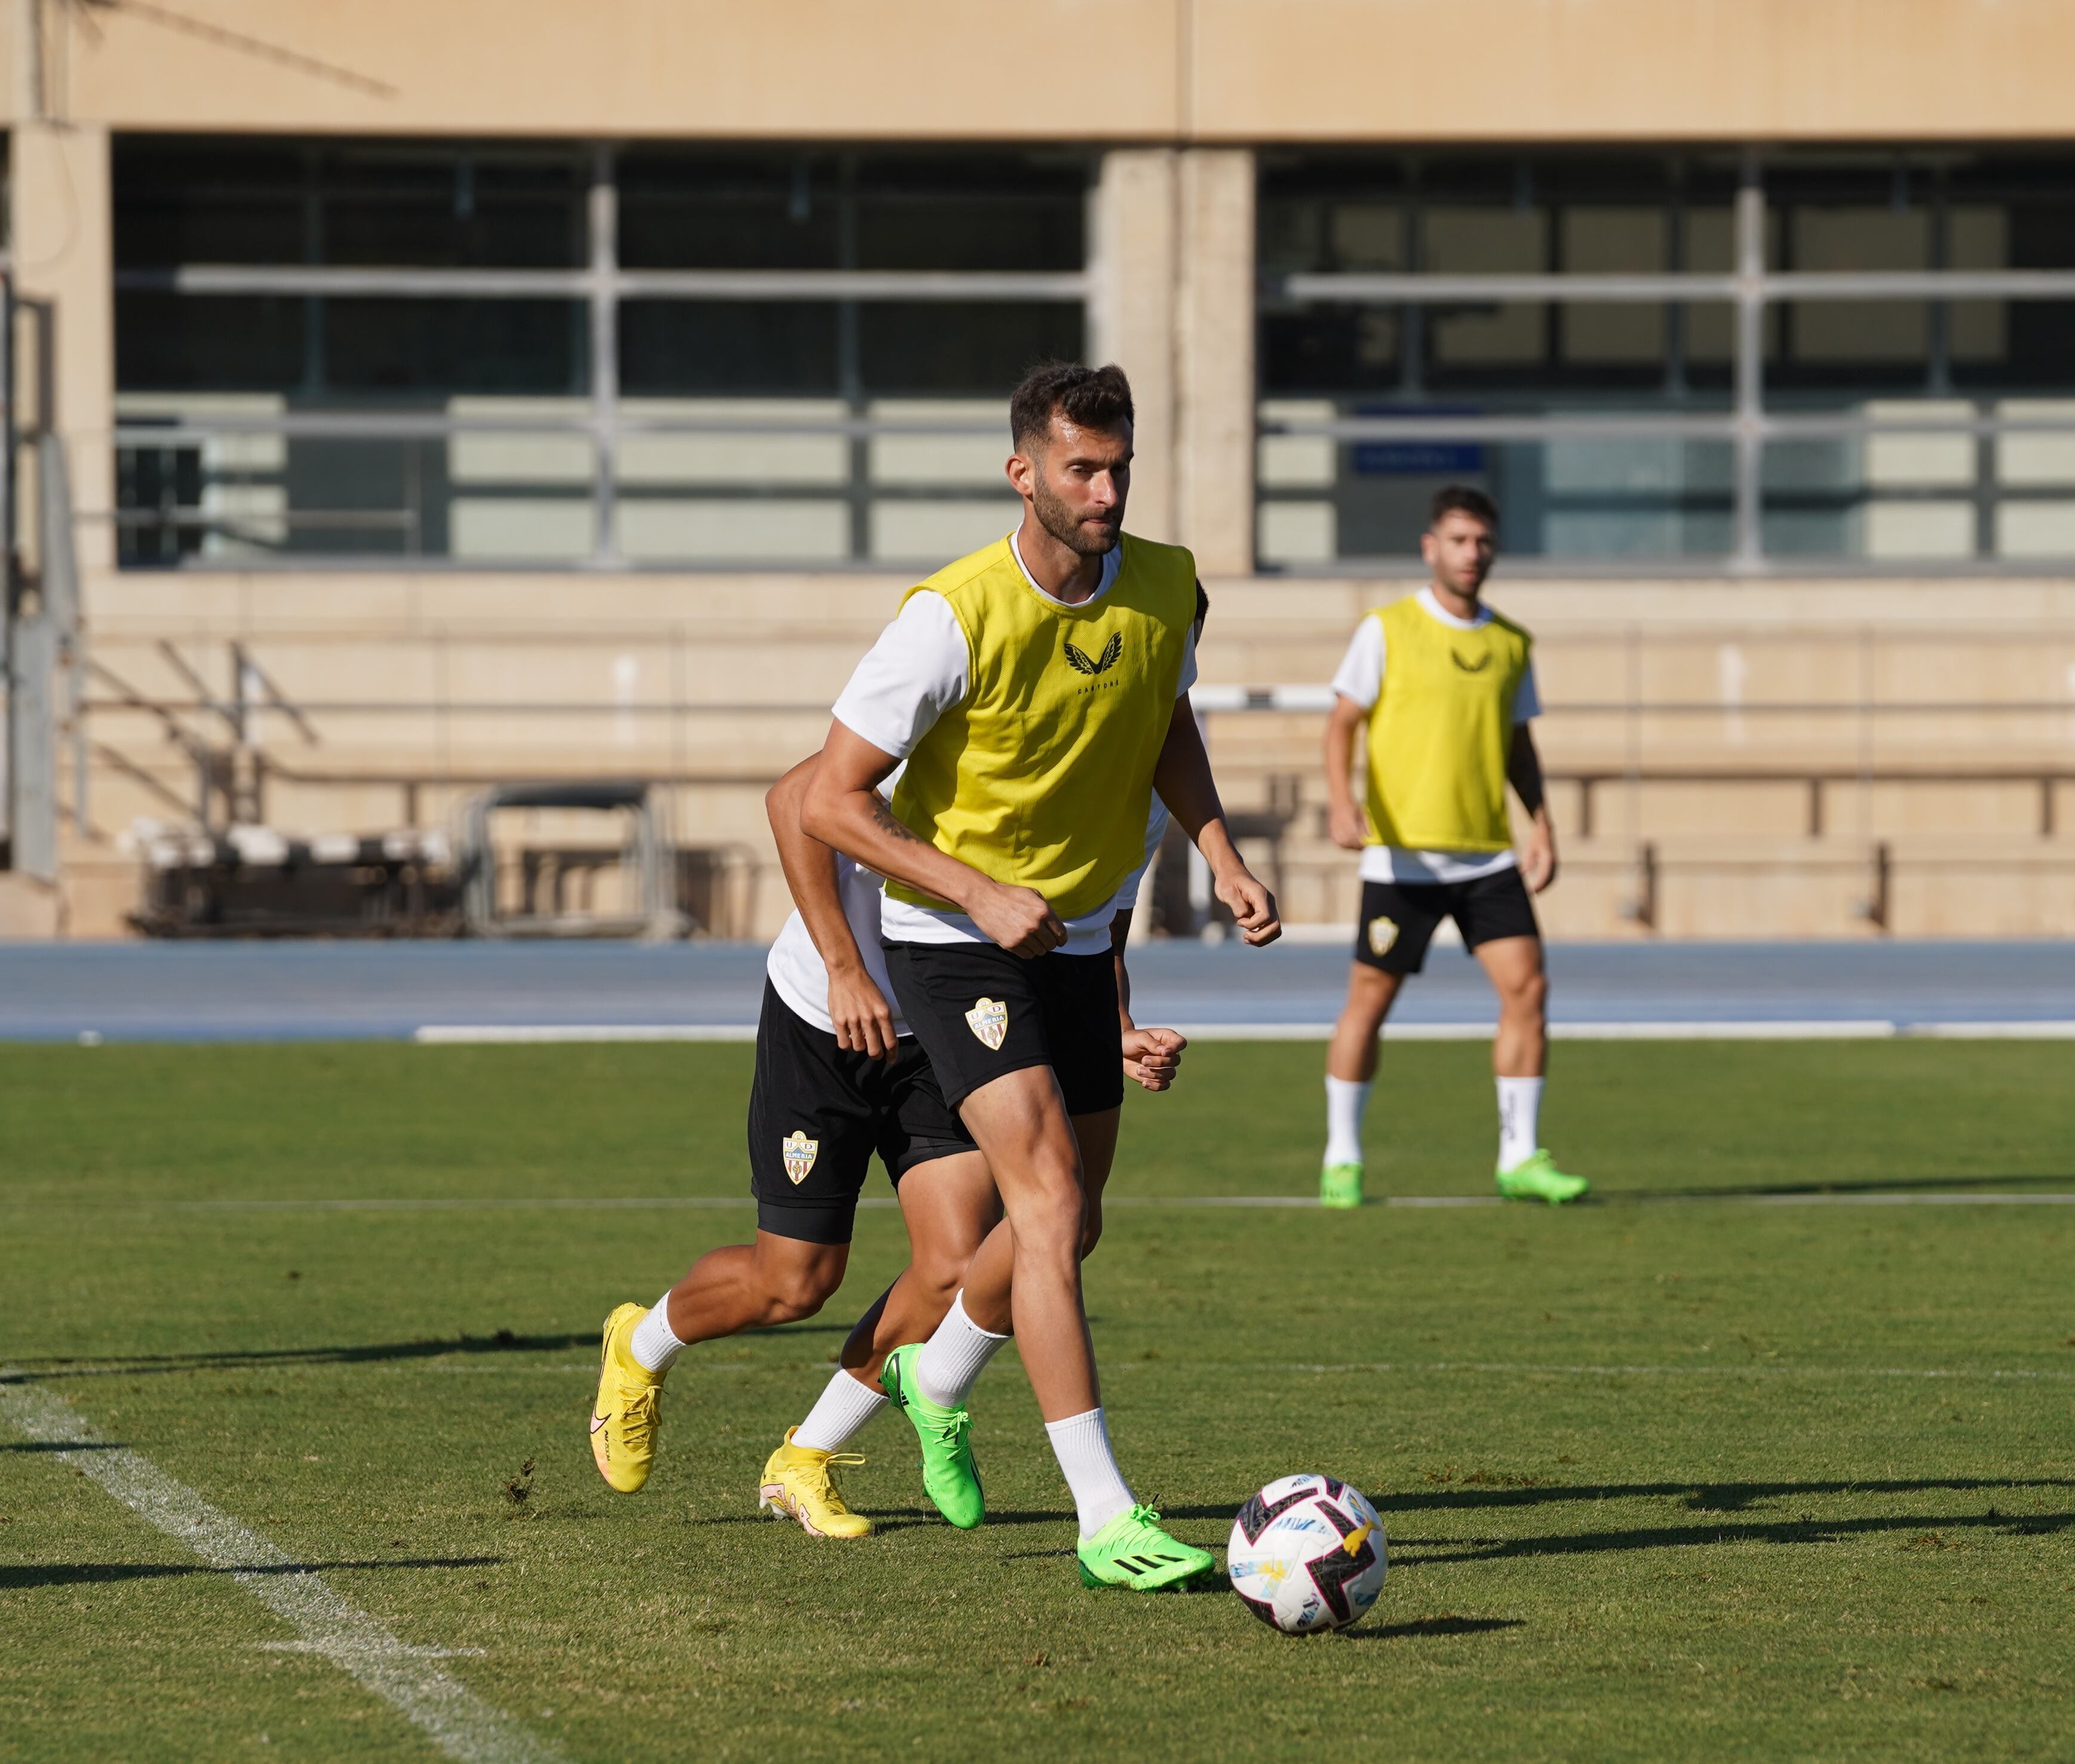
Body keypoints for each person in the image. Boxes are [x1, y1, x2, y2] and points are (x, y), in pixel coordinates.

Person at [800, 361, 1280, 1592]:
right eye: (1081, 468)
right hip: (954, 938)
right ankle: (1104, 1514)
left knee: (1073, 1217)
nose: (1107, 490)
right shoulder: (949, 615)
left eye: (1119, 466)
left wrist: (1220, 853)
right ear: (1024, 474)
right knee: (1052, 1203)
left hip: (1074, 935)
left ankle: (933, 1373)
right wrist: (972, 888)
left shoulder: (1170, 586)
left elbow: (1165, 716)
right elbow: (825, 798)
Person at [587, 754, 1183, 1540]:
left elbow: (1096, 928)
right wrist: (843, 968)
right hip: (823, 1016)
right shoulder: (960, 713)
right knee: (794, 1282)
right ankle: (641, 1342)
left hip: (949, 1029)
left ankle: (806, 1454)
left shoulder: (1122, 786)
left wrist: (1115, 1030)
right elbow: (794, 800)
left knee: (955, 1266)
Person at [1315, 484, 1583, 1210]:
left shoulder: (1510, 643)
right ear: (1430, 547)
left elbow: (1517, 745)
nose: (1472, 553)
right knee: (1369, 1003)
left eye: (1483, 541)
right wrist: (1343, 802)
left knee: (1528, 990)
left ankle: (1519, 1155)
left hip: (1486, 857)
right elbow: (1342, 722)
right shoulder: (1386, 628)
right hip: (1402, 858)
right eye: (1459, 540)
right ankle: (1342, 1155)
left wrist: (1542, 821)